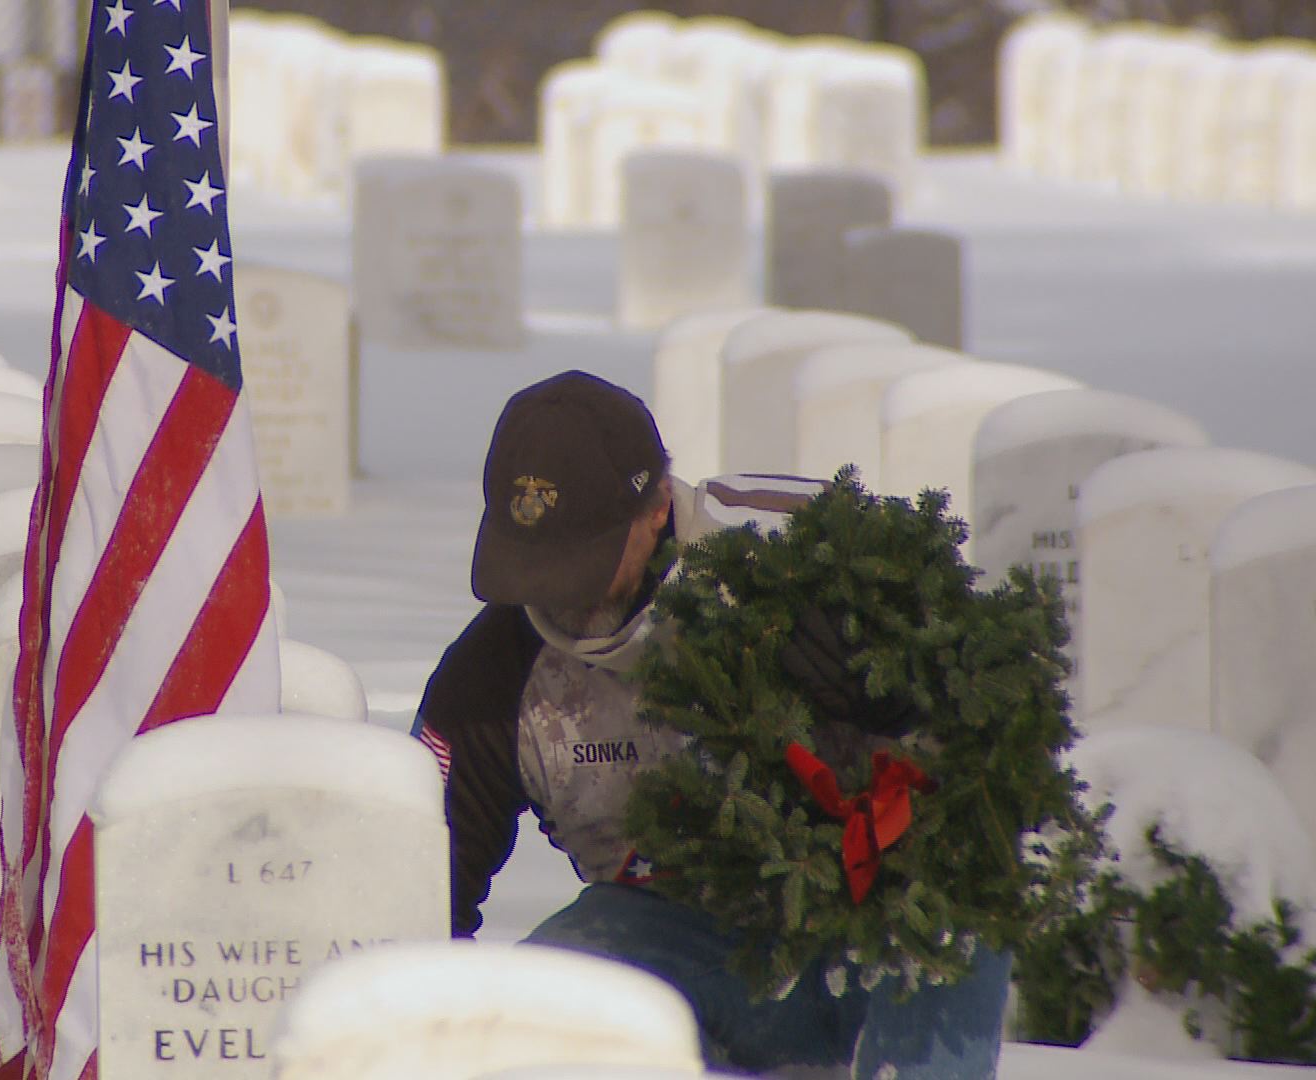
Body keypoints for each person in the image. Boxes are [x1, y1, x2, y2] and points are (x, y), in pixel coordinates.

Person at [410, 370, 1011, 1079]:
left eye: (581, 559)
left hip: (876, 935)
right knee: (537, 1003)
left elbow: (996, 720)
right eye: (531, 561)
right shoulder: (493, 678)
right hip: (676, 940)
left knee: (954, 903)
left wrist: (882, 708)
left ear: (659, 507)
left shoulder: (800, 570)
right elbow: (422, 886)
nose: (554, 592)